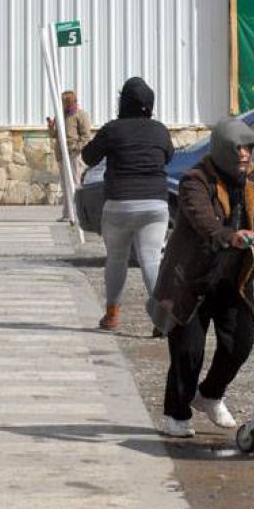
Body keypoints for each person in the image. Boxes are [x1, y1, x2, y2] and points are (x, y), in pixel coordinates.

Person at [147, 118, 254, 437]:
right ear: (222, 149)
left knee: (240, 344)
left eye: (249, 148)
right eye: (238, 148)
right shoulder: (196, 180)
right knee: (188, 352)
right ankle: (176, 414)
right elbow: (202, 219)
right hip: (193, 281)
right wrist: (229, 235)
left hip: (235, 281)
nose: (245, 154)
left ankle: (211, 395)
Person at [81, 77, 174, 331]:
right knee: (152, 260)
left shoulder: (113, 129)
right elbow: (168, 156)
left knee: (116, 259)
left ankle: (112, 315)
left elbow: (88, 156)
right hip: (155, 204)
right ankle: (162, 319)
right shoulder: (160, 130)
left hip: (119, 203)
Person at [48, 90, 92, 221]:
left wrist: (76, 148)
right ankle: (67, 213)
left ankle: (79, 213)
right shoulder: (60, 115)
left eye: (65, 102)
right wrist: (51, 128)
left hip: (73, 154)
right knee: (65, 184)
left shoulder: (81, 115)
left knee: (76, 183)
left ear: (71, 102)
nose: (63, 104)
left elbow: (86, 136)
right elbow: (55, 135)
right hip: (62, 153)